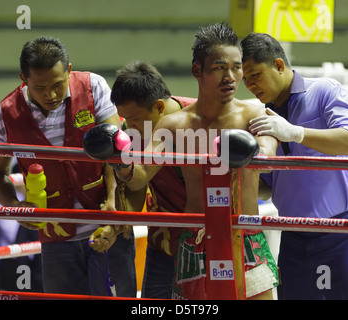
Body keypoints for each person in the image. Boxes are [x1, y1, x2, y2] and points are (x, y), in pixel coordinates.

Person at [111, 23, 279, 300]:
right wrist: (120, 157)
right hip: (195, 241)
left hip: (245, 235)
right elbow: (140, 175)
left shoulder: (255, 114)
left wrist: (248, 151)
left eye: (237, 67)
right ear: (197, 71)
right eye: (219, 68)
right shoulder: (175, 124)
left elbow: (267, 156)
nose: (230, 76)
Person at [0, 36, 136, 297]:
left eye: (57, 84)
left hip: (106, 226)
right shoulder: (3, 115)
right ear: (24, 78)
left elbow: (116, 149)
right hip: (55, 238)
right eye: (40, 87)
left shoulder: (93, 86)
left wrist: (114, 203)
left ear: (69, 69)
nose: (51, 94)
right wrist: (14, 205)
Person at [241, 32, 348, 300]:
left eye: (255, 75)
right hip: (294, 237)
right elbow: (267, 187)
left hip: (341, 232)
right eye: (245, 79)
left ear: (278, 65)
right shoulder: (258, 116)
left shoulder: (325, 90)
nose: (250, 85)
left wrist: (296, 133)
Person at [110, 61, 196, 298]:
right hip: (163, 241)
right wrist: (123, 217)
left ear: (159, 106)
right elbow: (138, 186)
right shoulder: (130, 130)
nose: (130, 126)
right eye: (125, 118)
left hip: (206, 242)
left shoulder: (201, 121)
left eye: (135, 119)